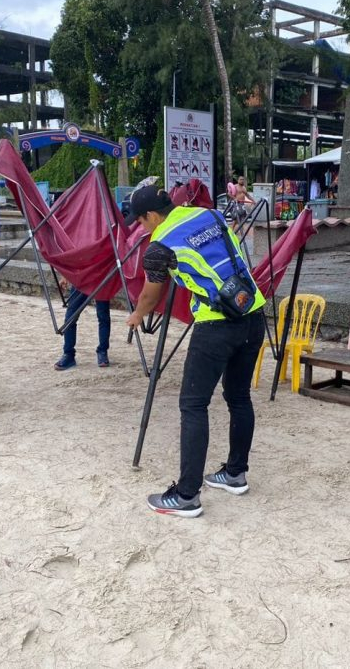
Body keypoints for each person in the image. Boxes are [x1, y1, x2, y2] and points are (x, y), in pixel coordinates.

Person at [124, 185, 267, 518]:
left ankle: (187, 495)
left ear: (152, 215)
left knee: (192, 405)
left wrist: (136, 315)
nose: (141, 227)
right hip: (252, 313)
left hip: (215, 326)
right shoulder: (211, 214)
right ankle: (235, 473)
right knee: (239, 397)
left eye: (141, 221)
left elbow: (150, 295)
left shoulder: (159, 246)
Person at [54, 279, 111, 369]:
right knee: (70, 318)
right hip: (82, 278)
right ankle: (68, 354)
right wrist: (66, 276)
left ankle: (103, 351)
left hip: (102, 276)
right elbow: (74, 263)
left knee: (103, 316)